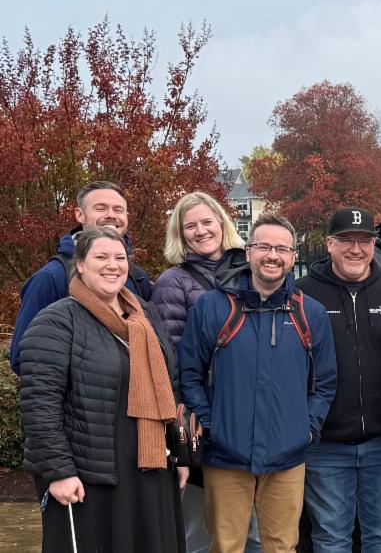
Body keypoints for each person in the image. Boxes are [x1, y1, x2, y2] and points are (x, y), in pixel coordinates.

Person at [19, 226, 187, 552]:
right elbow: (40, 405)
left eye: (120, 258)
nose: (113, 265)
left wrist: (178, 451)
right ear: (80, 265)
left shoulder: (145, 317)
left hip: (151, 464)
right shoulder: (56, 321)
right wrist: (59, 472)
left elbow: (170, 385)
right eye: (101, 257)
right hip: (91, 476)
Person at [178, 212, 338, 553]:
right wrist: (210, 424)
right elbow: (189, 375)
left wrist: (307, 428)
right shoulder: (212, 307)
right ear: (248, 251)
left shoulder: (310, 313)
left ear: (293, 257)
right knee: (225, 547)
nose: (273, 256)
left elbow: (324, 382)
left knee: (282, 546)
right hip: (225, 454)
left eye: (282, 249)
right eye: (264, 246)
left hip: (287, 456)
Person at [295, 207, 381, 552]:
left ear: (374, 245)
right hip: (325, 445)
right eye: (346, 240)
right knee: (331, 538)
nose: (356, 249)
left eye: (364, 241)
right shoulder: (302, 294)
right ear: (329, 244)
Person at [151, 191, 251, 553]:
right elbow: (170, 359)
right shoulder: (173, 283)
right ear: (180, 234)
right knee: (199, 529)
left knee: (252, 528)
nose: (201, 231)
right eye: (190, 226)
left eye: (207, 222)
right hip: (199, 421)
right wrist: (184, 422)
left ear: (222, 224)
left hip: (250, 417)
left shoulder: (249, 275)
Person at [10, 180, 153, 374]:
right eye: (100, 208)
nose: (111, 215)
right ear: (80, 215)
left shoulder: (138, 277)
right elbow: (22, 357)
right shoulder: (52, 278)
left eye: (118, 209)